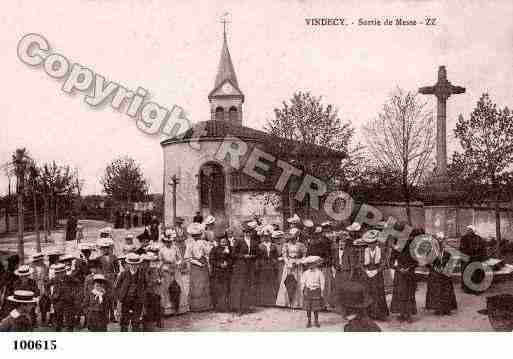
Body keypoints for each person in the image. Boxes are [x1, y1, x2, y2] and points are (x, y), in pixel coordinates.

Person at [390, 227, 419, 323]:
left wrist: (409, 268)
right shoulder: (396, 248)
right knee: (400, 293)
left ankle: (409, 314)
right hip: (399, 273)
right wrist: (398, 268)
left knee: (409, 293)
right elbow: (391, 261)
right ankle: (402, 313)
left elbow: (417, 262)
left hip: (409, 273)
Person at [230, 221, 259, 315]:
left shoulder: (254, 242)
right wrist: (243, 256)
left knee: (248, 286)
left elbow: (257, 254)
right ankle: (238, 308)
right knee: (239, 287)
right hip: (240, 267)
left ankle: (246, 306)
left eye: (249, 232)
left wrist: (252, 257)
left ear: (251, 233)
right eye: (246, 232)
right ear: (243, 232)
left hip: (250, 267)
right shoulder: (239, 241)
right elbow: (233, 254)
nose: (248, 233)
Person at [425, 234, 457, 316]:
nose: (441, 244)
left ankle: (447, 308)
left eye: (442, 242)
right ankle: (437, 309)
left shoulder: (447, 253)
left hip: (445, 274)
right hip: (435, 274)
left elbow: (451, 264)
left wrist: (445, 270)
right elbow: (427, 264)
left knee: (446, 290)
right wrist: (435, 268)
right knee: (436, 291)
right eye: (439, 242)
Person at [361, 230, 389, 321]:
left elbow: (384, 263)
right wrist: (366, 271)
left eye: (373, 243)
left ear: (376, 242)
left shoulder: (380, 251)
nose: (371, 245)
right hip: (368, 274)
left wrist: (377, 270)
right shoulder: (364, 251)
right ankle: (369, 314)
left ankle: (380, 314)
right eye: (369, 243)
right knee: (368, 293)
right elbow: (360, 263)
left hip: (377, 275)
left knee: (378, 293)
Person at [276, 228, 307, 308]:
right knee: (286, 281)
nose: (293, 239)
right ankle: (285, 302)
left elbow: (304, 256)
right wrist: (288, 263)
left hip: (297, 265)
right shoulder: (286, 245)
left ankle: (297, 303)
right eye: (291, 238)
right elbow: (284, 255)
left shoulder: (301, 245)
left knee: (298, 282)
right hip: (289, 265)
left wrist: (298, 262)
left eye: (294, 238)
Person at [116, 253, 147, 331]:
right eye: (131, 264)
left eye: (136, 264)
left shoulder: (142, 274)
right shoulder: (123, 274)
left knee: (136, 321)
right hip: (126, 299)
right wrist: (120, 296)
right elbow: (117, 287)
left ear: (138, 265)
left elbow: (146, 285)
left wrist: (142, 295)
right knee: (124, 320)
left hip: (137, 300)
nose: (133, 266)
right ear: (128, 264)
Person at [184, 223, 212, 311]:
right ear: (192, 236)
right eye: (194, 236)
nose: (196, 237)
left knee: (204, 283)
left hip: (203, 263)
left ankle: (205, 305)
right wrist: (197, 263)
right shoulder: (189, 244)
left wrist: (208, 245)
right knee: (196, 284)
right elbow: (187, 257)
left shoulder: (203, 242)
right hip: (195, 265)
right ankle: (196, 306)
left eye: (198, 235)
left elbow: (207, 252)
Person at [256, 225, 280, 306]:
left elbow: (276, 255)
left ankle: (272, 301)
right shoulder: (260, 246)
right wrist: (258, 265)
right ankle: (263, 301)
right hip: (263, 265)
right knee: (263, 283)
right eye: (265, 236)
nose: (266, 238)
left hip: (271, 265)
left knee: (272, 282)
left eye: (268, 236)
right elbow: (258, 257)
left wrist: (275, 262)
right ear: (263, 237)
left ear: (270, 237)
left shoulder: (273, 245)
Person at [48, 263, 76, 331]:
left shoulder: (70, 278)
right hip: (57, 301)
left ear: (65, 272)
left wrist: (73, 294)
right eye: (57, 273)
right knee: (58, 320)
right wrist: (50, 295)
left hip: (68, 301)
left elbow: (77, 285)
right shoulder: (54, 279)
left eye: (61, 273)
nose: (60, 274)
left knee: (69, 320)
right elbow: (47, 285)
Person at [459, 225, 487, 294]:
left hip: (476, 259)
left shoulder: (479, 238)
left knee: (477, 274)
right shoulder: (464, 238)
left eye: (470, 230)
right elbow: (462, 248)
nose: (468, 231)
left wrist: (481, 256)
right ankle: (467, 289)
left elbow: (483, 248)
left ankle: (477, 289)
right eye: (468, 230)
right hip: (467, 259)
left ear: (473, 231)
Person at [209, 233, 233, 312]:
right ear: (219, 242)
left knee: (226, 289)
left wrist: (228, 263)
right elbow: (211, 260)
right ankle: (218, 307)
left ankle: (226, 306)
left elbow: (232, 258)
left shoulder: (230, 249)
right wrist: (219, 264)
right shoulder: (214, 249)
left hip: (227, 271)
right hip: (217, 272)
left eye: (225, 242)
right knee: (218, 289)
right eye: (222, 242)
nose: (224, 244)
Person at [301, 256, 325, 328]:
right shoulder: (305, 273)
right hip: (308, 291)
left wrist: (322, 291)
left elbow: (322, 282)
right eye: (309, 264)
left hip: (316, 291)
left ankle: (316, 321)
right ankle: (309, 321)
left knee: (316, 308)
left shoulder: (319, 272)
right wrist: (303, 289)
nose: (311, 265)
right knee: (308, 307)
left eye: (313, 264)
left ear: (315, 264)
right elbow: (302, 282)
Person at [143, 252, 162, 330]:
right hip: (145, 292)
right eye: (145, 262)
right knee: (148, 304)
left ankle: (157, 320)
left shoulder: (153, 269)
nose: (147, 264)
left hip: (152, 291)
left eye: (148, 262)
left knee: (156, 301)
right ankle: (150, 321)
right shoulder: (142, 271)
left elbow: (157, 279)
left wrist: (157, 281)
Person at [31, 253, 50, 327]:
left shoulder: (45, 266)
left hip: (43, 286)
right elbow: (31, 277)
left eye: (41, 260)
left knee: (44, 302)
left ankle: (43, 318)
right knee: (34, 303)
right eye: (39, 260)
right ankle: (33, 320)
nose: (40, 261)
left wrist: (45, 281)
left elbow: (47, 276)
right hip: (35, 286)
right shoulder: (32, 267)